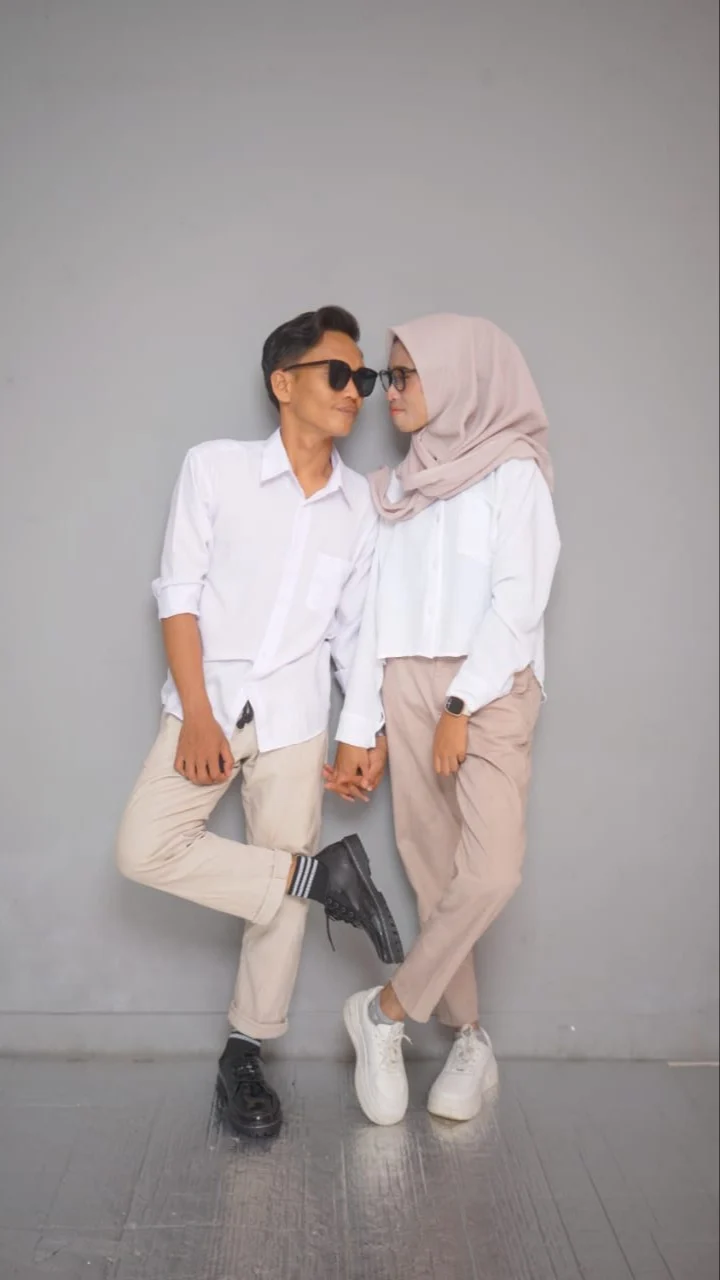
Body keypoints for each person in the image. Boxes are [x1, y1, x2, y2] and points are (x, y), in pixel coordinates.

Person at [116, 305, 401, 1140]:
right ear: (284, 382)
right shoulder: (215, 469)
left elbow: (355, 634)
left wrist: (364, 732)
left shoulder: (359, 507)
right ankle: (318, 877)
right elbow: (178, 596)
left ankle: (246, 1054)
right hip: (206, 705)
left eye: (364, 378)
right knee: (145, 847)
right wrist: (198, 716)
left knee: (276, 905)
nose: (355, 391)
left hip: (297, 719)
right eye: (338, 374)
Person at [325, 313, 560, 1126]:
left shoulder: (514, 474)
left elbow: (519, 603)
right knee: (433, 872)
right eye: (389, 377)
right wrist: (361, 725)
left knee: (489, 872)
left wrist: (461, 702)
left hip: (488, 684)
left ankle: (384, 1010)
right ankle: (469, 1038)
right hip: (404, 683)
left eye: (405, 376)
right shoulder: (395, 489)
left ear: (461, 378)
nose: (389, 392)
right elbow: (372, 619)